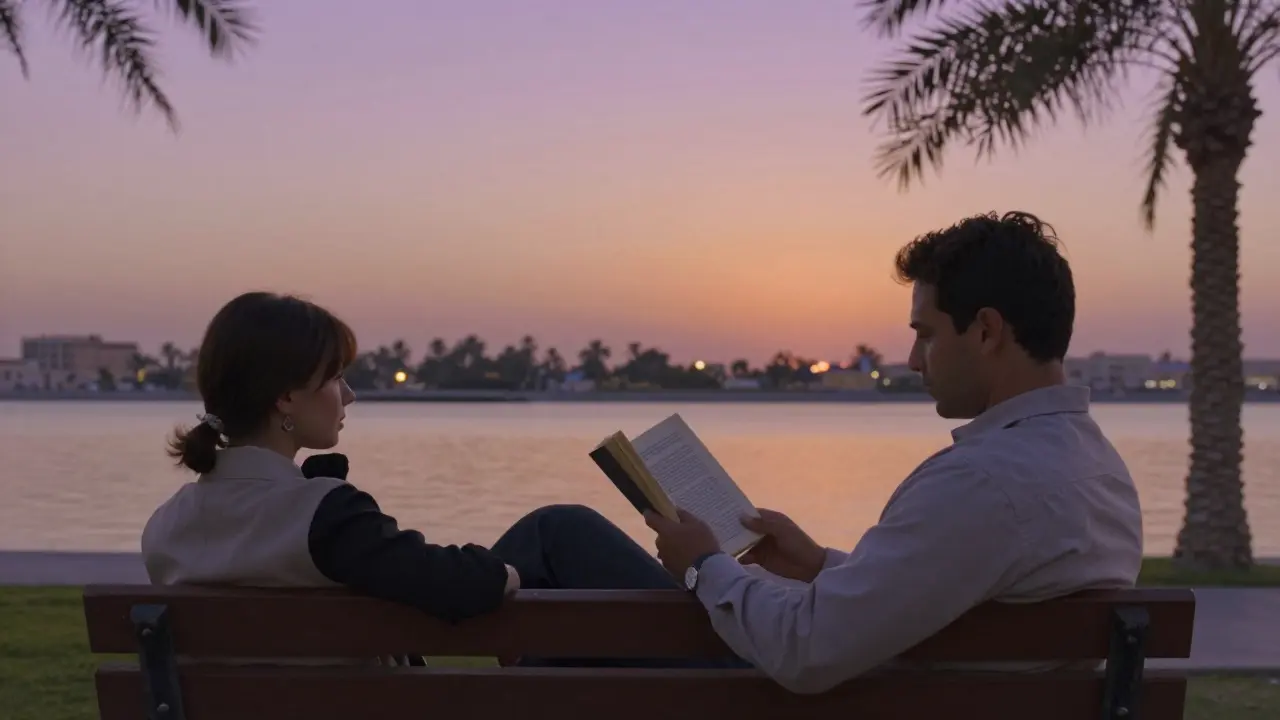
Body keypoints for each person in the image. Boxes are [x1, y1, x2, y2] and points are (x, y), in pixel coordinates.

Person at [638, 211, 1144, 693]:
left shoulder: (983, 482)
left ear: (986, 331)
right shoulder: (1101, 470)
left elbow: (805, 649)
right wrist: (819, 565)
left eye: (925, 335)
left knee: (563, 535)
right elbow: (950, 596)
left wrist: (702, 564)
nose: (912, 360)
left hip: (814, 701)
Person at [140, 291, 682, 636]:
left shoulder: (165, 528)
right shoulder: (325, 518)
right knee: (562, 532)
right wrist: (520, 573)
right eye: (333, 378)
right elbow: (464, 586)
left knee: (553, 536)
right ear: (286, 397)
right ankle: (730, 654)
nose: (347, 395)